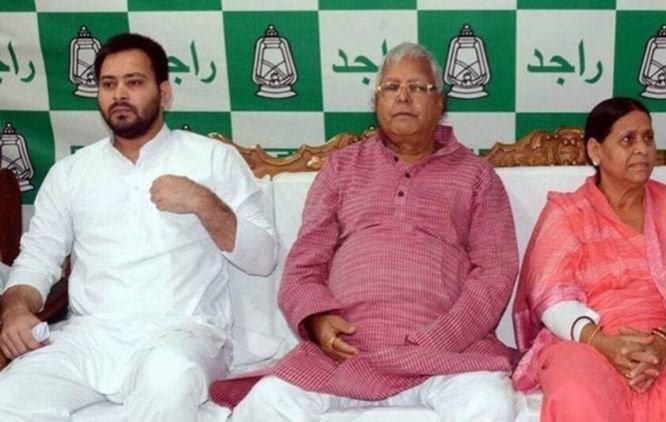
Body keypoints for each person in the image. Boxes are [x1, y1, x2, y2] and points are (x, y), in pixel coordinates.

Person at [210, 42, 519, 421]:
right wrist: (318, 320)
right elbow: (304, 267)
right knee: (267, 402)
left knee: (490, 403)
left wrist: (445, 336)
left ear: (440, 102)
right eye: (391, 87)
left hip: (445, 354)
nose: (402, 96)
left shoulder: (476, 175)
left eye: (417, 87)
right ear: (377, 101)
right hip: (344, 353)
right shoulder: (342, 168)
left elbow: (495, 272)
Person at [0, 33, 277, 421]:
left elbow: (263, 258)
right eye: (108, 84)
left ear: (164, 93)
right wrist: (15, 311)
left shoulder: (212, 159)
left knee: (169, 384)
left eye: (134, 82)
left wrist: (204, 202)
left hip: (183, 334)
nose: (119, 94)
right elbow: (38, 259)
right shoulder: (71, 173)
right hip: (91, 338)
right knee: (9, 396)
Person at [512, 97, 666, 421]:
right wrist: (603, 343)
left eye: (648, 138)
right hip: (588, 341)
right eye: (628, 140)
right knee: (577, 394)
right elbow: (551, 298)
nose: (642, 149)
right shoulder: (567, 213)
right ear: (595, 151)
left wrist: (664, 342)